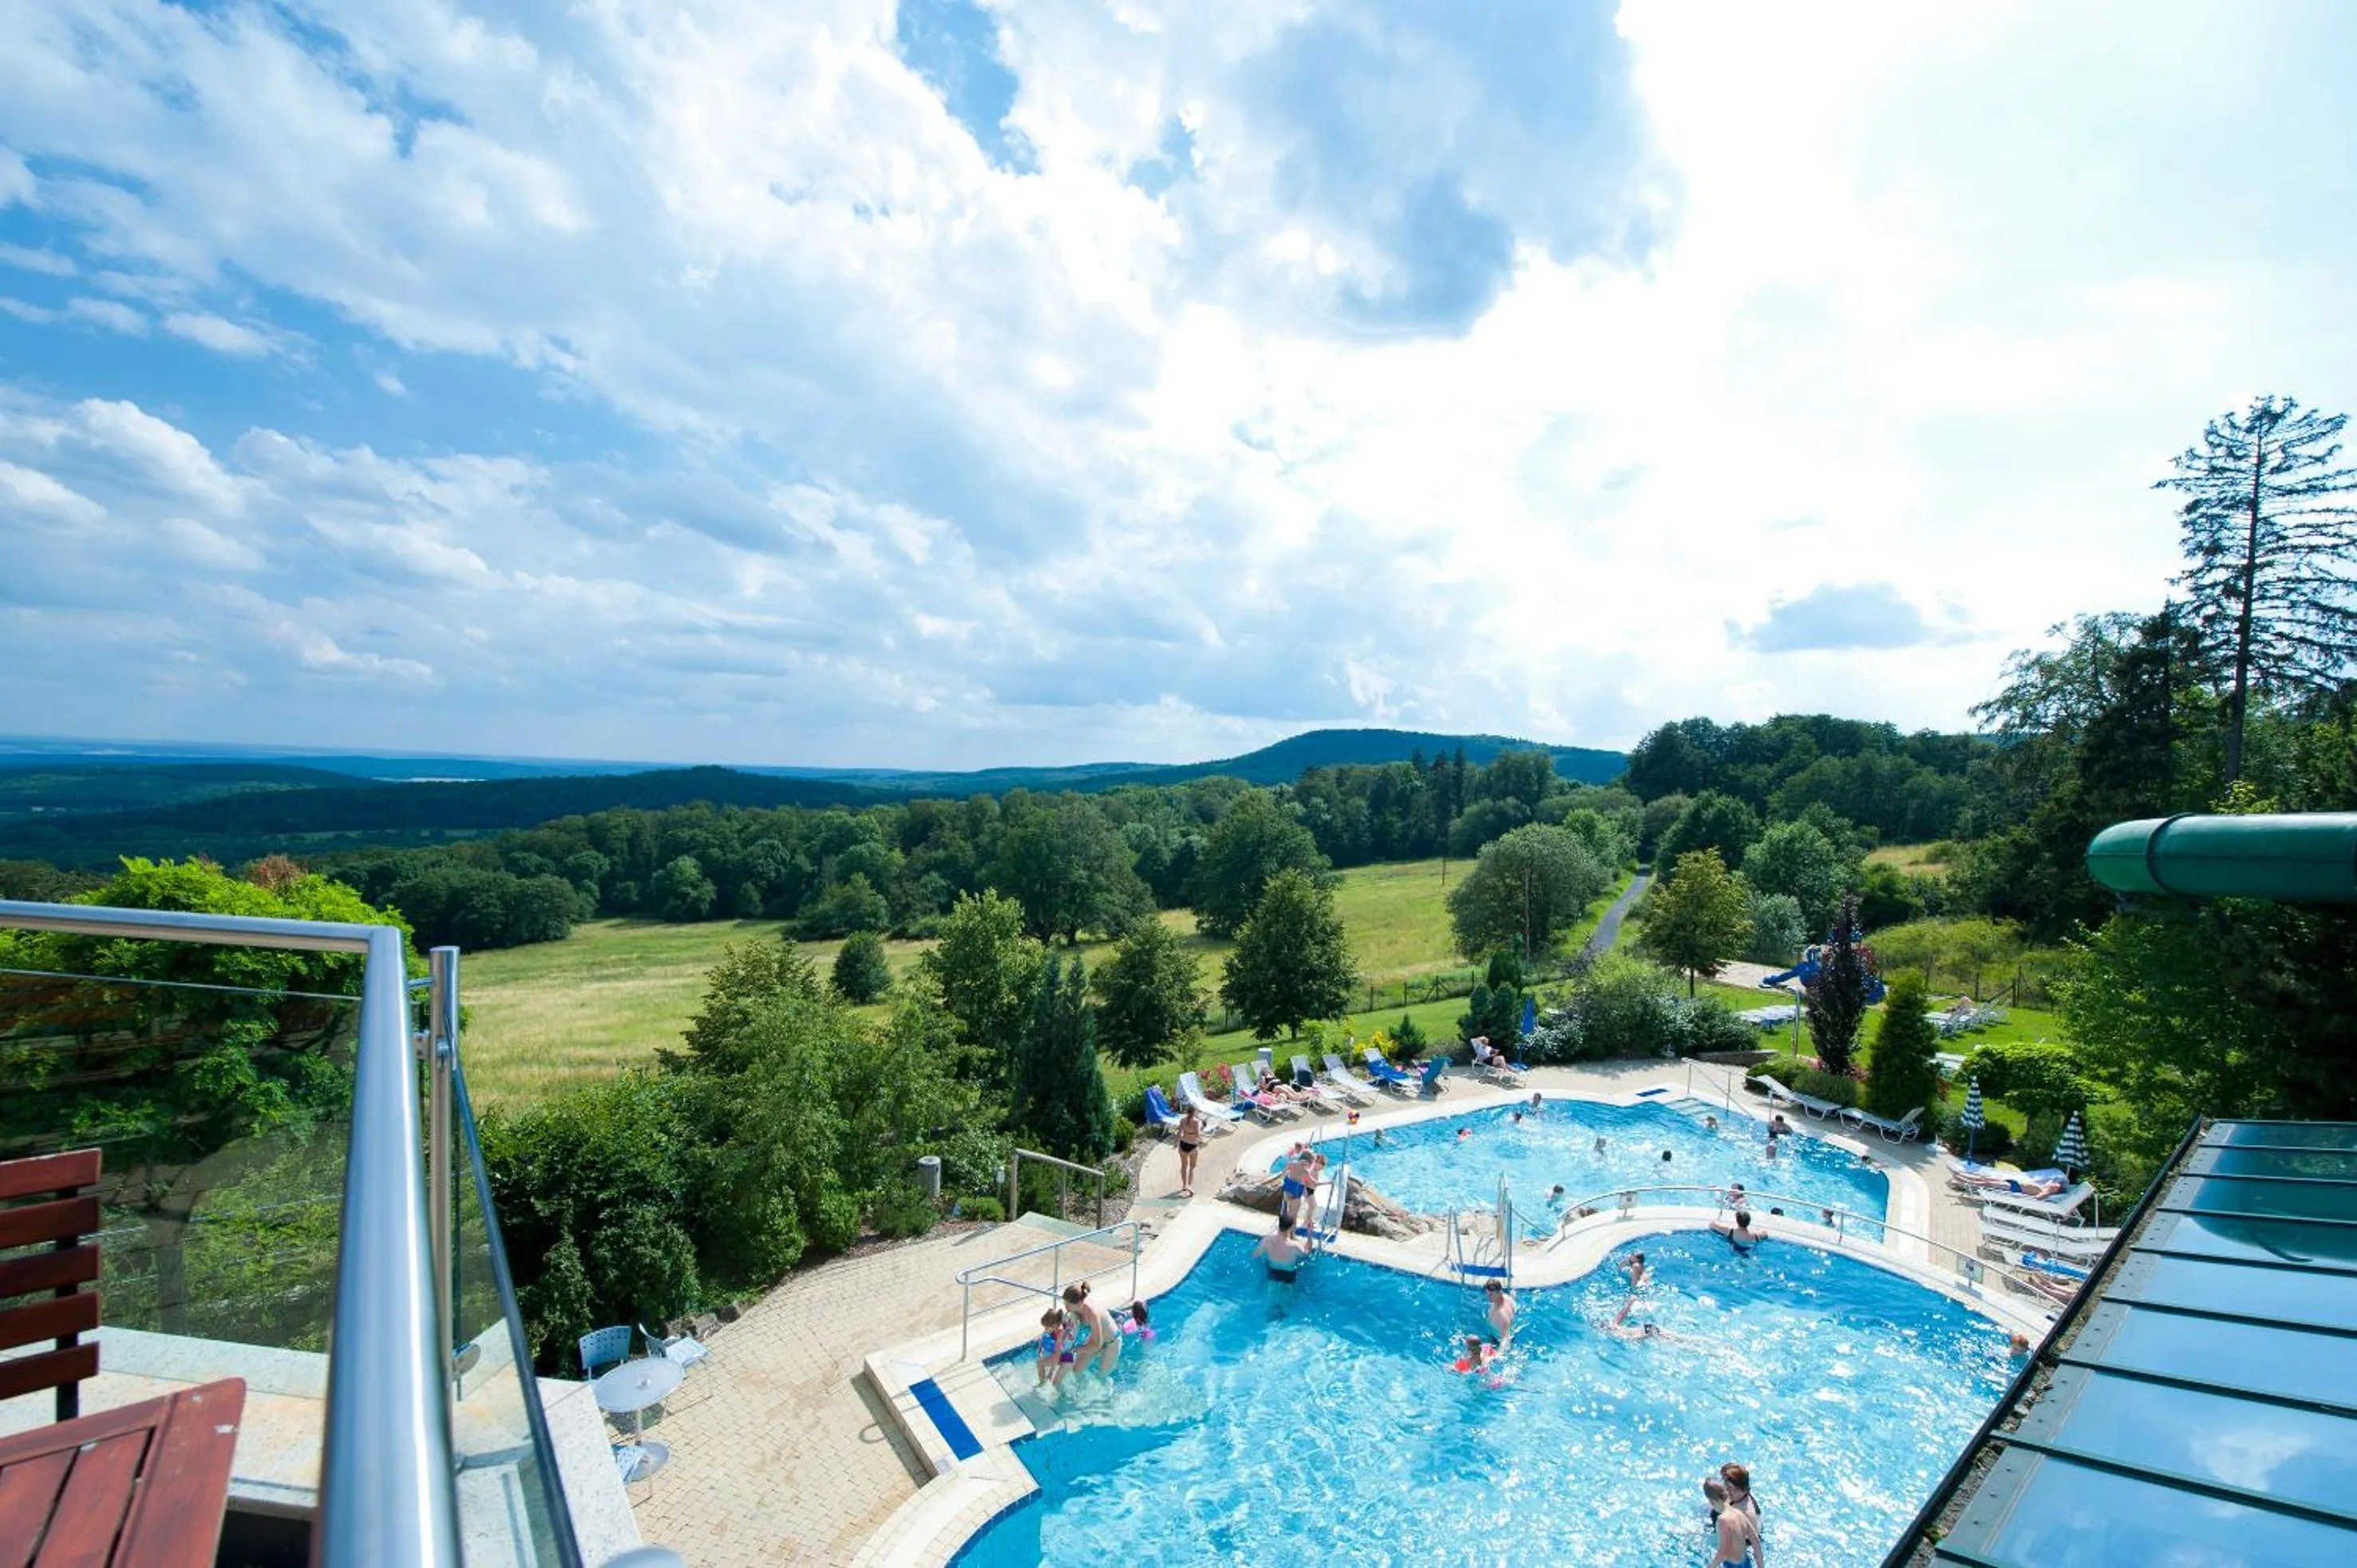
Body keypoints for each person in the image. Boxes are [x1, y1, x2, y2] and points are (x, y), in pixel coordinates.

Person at [1061, 1282, 1121, 1374]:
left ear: (1079, 1302)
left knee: (1101, 1376)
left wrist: (1075, 1349)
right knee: (1076, 1371)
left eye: (1068, 1305)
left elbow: (1097, 1345)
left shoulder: (1092, 1313)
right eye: (1065, 1303)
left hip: (1112, 1342)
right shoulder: (1078, 1306)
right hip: (1095, 1338)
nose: (1065, 1307)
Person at [1720, 1463, 1765, 1565]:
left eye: (1730, 1487)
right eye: (1725, 1484)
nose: (1726, 1490)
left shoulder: (1746, 1513)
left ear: (1742, 1488)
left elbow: (1755, 1544)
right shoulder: (1739, 1496)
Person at [1255, 1216, 1314, 1282]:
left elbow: (1255, 1255)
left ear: (1279, 1225)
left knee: (1271, 1291)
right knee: (1288, 1292)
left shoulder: (1267, 1240)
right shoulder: (1294, 1246)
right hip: (1288, 1273)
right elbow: (1308, 1253)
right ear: (1291, 1228)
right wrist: (1310, 1233)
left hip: (1273, 1271)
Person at [1954, 1170, 2065, 1199]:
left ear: (2056, 1190)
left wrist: (2049, 1193)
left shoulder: (2046, 1191)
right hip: (2013, 1181)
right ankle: (1965, 1175)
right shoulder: (2047, 1185)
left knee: (1987, 1183)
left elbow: (2038, 1197)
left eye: (2056, 1186)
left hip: (2014, 1188)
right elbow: (2058, 1180)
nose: (2055, 1184)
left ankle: (1967, 1182)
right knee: (1986, 1178)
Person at [1176, 1104, 1204, 1198]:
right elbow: (1198, 1135)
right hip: (1193, 1146)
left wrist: (1176, 1144)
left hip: (1183, 1144)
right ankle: (1189, 1186)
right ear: (1195, 1112)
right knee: (1192, 1167)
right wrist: (1202, 1139)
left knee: (1184, 1166)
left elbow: (1179, 1134)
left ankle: (1184, 1185)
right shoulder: (1196, 1122)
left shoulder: (1182, 1121)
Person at [1035, 1308, 1069, 1385]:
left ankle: (1042, 1384)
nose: (1045, 1329)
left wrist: (1051, 1373)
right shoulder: (1054, 1328)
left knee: (1039, 1363)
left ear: (1055, 1326)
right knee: (1041, 1361)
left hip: (1067, 1357)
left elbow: (1057, 1354)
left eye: (1047, 1327)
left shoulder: (1061, 1333)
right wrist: (1040, 1347)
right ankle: (1043, 1383)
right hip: (1062, 1354)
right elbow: (1043, 1336)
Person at [1483, 1278, 1517, 1349]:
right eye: (1488, 1295)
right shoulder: (1506, 1297)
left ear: (1499, 1292)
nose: (1489, 1298)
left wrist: (1499, 1354)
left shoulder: (1502, 1314)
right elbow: (1512, 1300)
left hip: (1497, 1340)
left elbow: (1506, 1337)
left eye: (1491, 1295)